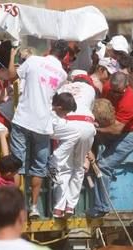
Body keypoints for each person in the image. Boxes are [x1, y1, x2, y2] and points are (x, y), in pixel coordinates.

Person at [6, 42, 67, 219]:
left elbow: (11, 75)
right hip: (43, 124)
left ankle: (18, 207)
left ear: (49, 51)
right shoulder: (62, 74)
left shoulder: (33, 61)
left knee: (18, 165)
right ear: (63, 57)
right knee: (38, 168)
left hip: (23, 119)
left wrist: (12, 55)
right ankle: (34, 207)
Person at [88, 72, 133, 218]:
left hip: (131, 134)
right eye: (112, 91)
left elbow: (116, 129)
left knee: (104, 166)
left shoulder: (130, 100)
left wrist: (95, 129)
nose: (114, 94)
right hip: (113, 129)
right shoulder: (107, 87)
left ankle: (102, 207)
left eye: (118, 92)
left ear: (126, 87)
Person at [52, 75, 97, 218]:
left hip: (68, 124)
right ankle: (71, 206)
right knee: (78, 167)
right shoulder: (91, 89)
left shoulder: (62, 87)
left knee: (64, 167)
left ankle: (59, 207)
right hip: (86, 125)